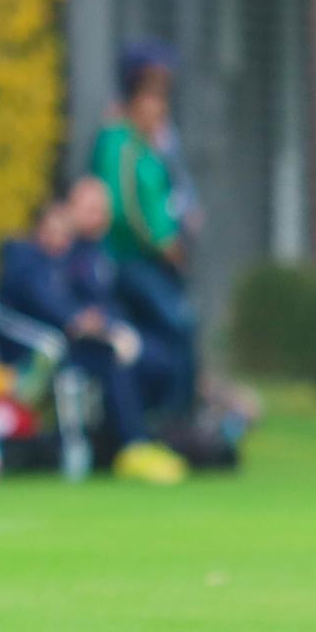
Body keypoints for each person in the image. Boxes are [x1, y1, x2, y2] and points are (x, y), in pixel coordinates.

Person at [0, 190, 186, 484]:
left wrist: (109, 327)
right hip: (35, 355)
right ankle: (131, 445)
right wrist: (87, 324)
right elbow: (53, 307)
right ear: (39, 229)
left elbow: (96, 305)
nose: (60, 238)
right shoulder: (27, 263)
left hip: (67, 346)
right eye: (54, 229)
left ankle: (153, 435)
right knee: (111, 359)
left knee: (155, 357)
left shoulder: (69, 260)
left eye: (65, 232)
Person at [89, 41, 198, 419]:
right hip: (132, 261)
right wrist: (162, 243)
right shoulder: (120, 142)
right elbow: (125, 209)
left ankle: (178, 411)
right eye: (153, 93)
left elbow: (167, 195)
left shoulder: (150, 144)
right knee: (178, 324)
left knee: (174, 329)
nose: (161, 105)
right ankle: (171, 415)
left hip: (155, 261)